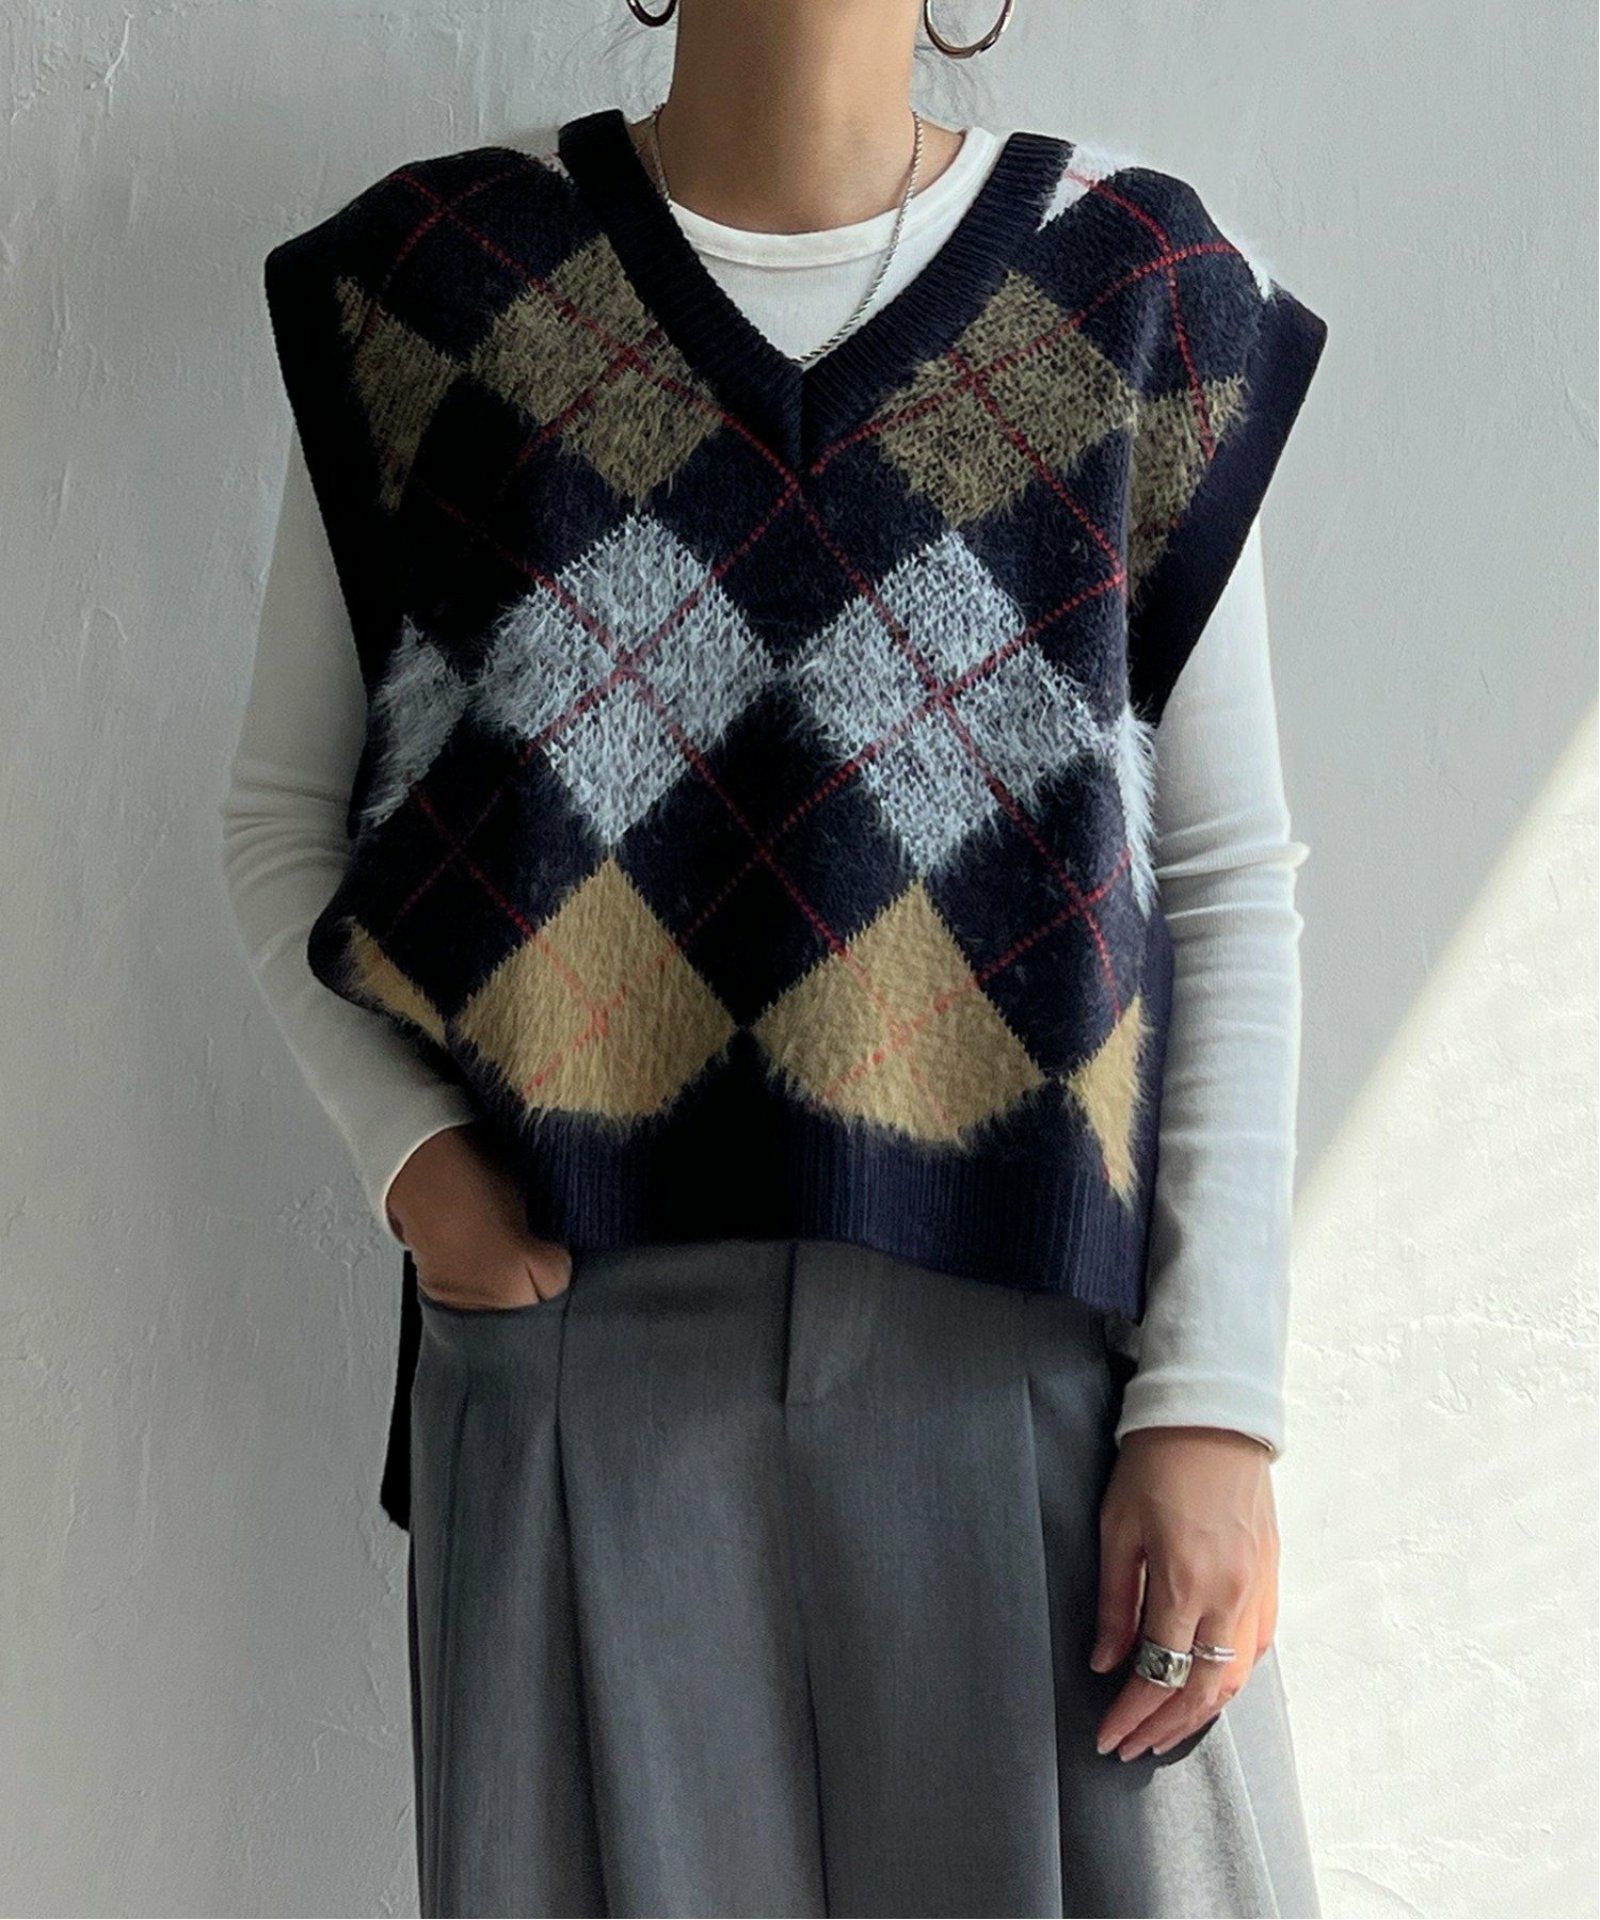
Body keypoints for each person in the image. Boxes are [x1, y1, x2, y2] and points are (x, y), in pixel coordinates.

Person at [222, 1, 1328, 1911]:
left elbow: (1226, 881)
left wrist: (1216, 1401)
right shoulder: (446, 288)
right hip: (576, 1349)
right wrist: (419, 1171)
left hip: (1031, 1364)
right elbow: (276, 826)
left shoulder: (1131, 291)